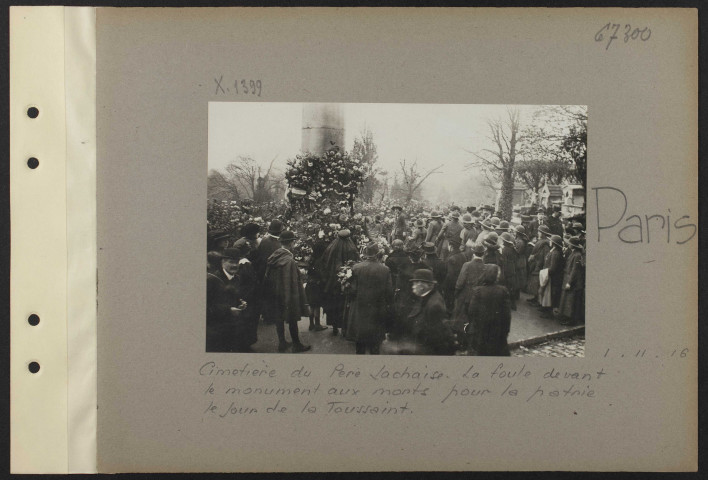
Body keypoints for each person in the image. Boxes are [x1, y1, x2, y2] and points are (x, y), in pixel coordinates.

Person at [263, 230, 311, 353]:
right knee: (292, 317)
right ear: (291, 243)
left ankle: (282, 342)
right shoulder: (289, 260)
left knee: (279, 317)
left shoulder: (274, 256)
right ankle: (296, 344)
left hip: (275, 292)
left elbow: (267, 275)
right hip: (288, 293)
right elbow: (293, 281)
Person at [345, 244, 394, 354]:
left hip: (359, 307)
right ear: (378, 255)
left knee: (360, 341)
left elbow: (351, 290)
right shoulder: (385, 269)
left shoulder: (356, 268)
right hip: (377, 308)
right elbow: (389, 292)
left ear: (365, 254)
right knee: (375, 343)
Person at [465, 264, 512, 356]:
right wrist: (506, 331)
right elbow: (507, 315)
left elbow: (471, 311)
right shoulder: (503, 291)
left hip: (481, 331)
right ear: (496, 277)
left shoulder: (478, 291)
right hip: (498, 332)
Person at [408, 269, 456, 355]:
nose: (413, 286)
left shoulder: (434, 306)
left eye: (415, 283)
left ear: (423, 285)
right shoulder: (429, 297)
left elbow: (435, 337)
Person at [321, 229, 360, 336]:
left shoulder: (331, 247)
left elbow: (325, 262)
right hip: (345, 280)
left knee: (334, 304)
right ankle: (344, 328)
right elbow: (355, 263)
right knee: (345, 304)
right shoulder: (351, 247)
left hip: (332, 282)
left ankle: (334, 327)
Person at [206, 251, 246, 352]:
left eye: (236, 262)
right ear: (222, 262)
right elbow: (206, 307)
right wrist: (228, 310)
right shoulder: (212, 280)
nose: (234, 265)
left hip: (233, 328)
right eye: (231, 262)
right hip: (216, 330)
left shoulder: (237, 278)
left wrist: (240, 303)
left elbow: (234, 297)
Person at [251, 219, 284, 324]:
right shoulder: (280, 243)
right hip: (274, 272)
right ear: (280, 230)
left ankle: (267, 316)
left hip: (263, 271)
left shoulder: (264, 240)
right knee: (274, 295)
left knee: (266, 295)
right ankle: (272, 316)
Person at [558, 236, 585, 326]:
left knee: (572, 302)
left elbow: (574, 270)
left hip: (574, 282)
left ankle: (572, 320)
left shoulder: (577, 255)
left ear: (573, 245)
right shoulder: (574, 253)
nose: (568, 244)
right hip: (571, 279)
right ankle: (568, 317)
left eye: (570, 243)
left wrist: (569, 282)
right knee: (569, 300)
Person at [305, 241, 328, 332]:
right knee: (317, 306)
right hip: (317, 286)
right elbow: (322, 275)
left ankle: (311, 324)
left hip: (310, 284)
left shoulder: (311, 259)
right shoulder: (320, 261)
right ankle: (317, 325)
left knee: (311, 305)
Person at [540, 234, 564, 319]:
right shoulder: (553, 251)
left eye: (551, 241)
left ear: (553, 243)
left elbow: (553, 268)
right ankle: (545, 309)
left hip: (553, 278)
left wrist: (544, 272)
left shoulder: (555, 253)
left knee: (551, 295)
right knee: (548, 294)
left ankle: (549, 313)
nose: (549, 242)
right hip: (551, 276)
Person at [526, 224, 551, 305]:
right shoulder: (542, 241)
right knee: (535, 282)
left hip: (539, 264)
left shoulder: (545, 243)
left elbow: (544, 255)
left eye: (540, 232)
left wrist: (536, 259)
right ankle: (535, 297)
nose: (538, 233)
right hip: (536, 263)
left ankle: (538, 300)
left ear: (543, 233)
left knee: (538, 282)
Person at [443, 236, 466, 312]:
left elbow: (450, 275)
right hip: (461, 282)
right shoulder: (463, 255)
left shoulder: (451, 258)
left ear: (451, 246)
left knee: (449, 302)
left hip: (451, 284)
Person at [499, 232, 518, 311]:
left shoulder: (504, 250)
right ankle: (513, 305)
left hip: (506, 270)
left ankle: (505, 305)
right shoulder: (512, 248)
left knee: (505, 287)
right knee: (511, 287)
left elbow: (503, 261)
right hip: (512, 269)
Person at [514, 225, 529, 295]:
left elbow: (517, 252)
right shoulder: (522, 240)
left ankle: (516, 293)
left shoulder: (520, 242)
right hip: (521, 259)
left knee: (517, 277)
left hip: (519, 260)